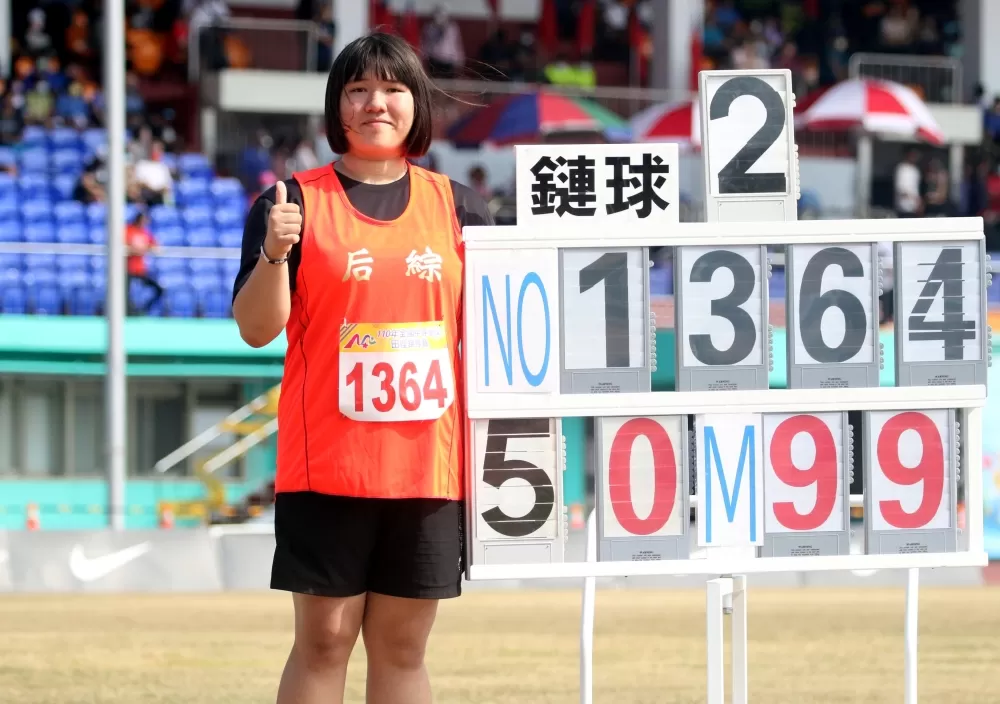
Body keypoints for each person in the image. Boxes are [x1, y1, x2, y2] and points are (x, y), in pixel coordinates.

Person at [231, 31, 493, 704]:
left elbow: (497, 341)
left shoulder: (462, 210)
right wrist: (272, 255)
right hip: (328, 470)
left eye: (394, 88)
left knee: (404, 651)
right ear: (336, 105)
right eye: (358, 89)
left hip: (428, 471)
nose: (376, 102)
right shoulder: (289, 203)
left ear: (418, 104)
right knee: (323, 643)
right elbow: (259, 330)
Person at [125, 211, 164, 315]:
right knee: (124, 293)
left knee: (159, 289)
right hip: (127, 269)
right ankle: (129, 312)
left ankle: (143, 310)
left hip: (140, 269)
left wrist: (150, 248)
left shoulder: (144, 232)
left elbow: (155, 246)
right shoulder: (128, 230)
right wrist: (139, 250)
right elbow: (125, 247)